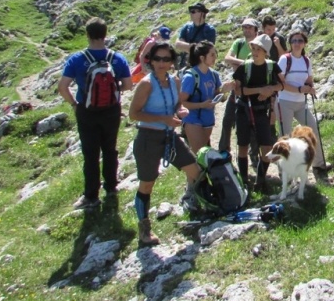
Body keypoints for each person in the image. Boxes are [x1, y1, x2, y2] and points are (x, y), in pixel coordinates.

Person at [128, 42, 204, 246]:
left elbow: (177, 103)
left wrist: (180, 110)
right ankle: (144, 230)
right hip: (148, 137)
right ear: (151, 61)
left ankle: (197, 205)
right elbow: (133, 114)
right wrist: (163, 118)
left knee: (195, 170)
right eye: (157, 59)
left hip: (169, 136)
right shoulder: (146, 84)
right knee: (147, 184)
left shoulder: (175, 81)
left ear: (172, 62)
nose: (162, 63)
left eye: (166, 59)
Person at [58, 17, 133, 210]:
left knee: (90, 153)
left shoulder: (77, 59)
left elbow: (63, 87)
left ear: (87, 34)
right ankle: (111, 187)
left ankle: (91, 196)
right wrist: (112, 90)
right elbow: (128, 85)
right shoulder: (117, 58)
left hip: (87, 111)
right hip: (112, 110)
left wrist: (74, 104)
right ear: (105, 34)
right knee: (110, 149)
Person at [232, 34, 283, 192]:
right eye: (253, 48)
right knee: (243, 146)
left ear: (265, 52)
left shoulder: (272, 67)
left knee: (266, 148)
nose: (254, 52)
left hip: (262, 112)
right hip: (244, 110)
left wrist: (270, 90)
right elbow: (238, 91)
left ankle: (260, 181)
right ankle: (244, 180)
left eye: (258, 49)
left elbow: (282, 85)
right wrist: (261, 90)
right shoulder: (244, 67)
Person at [276, 29, 328, 181]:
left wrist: (310, 88)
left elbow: (309, 79)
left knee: (313, 130)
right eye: (294, 41)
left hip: (301, 103)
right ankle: (284, 171)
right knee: (285, 136)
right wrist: (299, 89)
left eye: (300, 41)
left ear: (304, 43)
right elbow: (280, 83)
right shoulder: (285, 59)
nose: (297, 43)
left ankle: (318, 165)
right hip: (284, 102)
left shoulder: (306, 61)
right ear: (290, 44)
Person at [179, 41, 235, 153]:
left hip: (208, 119)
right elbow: (181, 103)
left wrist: (224, 91)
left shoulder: (214, 75)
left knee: (204, 153)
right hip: (192, 118)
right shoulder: (190, 77)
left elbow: (219, 98)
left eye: (215, 54)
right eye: (212, 55)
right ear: (202, 58)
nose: (215, 57)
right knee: (200, 153)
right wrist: (201, 105)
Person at [218, 17, 260, 155]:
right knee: (227, 120)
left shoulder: (259, 45)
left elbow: (259, 64)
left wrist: (238, 65)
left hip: (252, 89)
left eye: (250, 27)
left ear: (255, 30)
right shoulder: (239, 43)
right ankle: (224, 150)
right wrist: (245, 63)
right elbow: (227, 58)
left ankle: (254, 153)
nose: (247, 30)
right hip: (236, 86)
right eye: (244, 27)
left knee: (252, 122)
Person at [175, 3, 217, 69]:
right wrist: (195, 48)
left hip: (200, 65)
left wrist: (186, 47)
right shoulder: (186, 27)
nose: (191, 14)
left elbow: (207, 50)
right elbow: (177, 44)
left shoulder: (210, 30)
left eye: (193, 11)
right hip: (184, 64)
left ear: (202, 13)